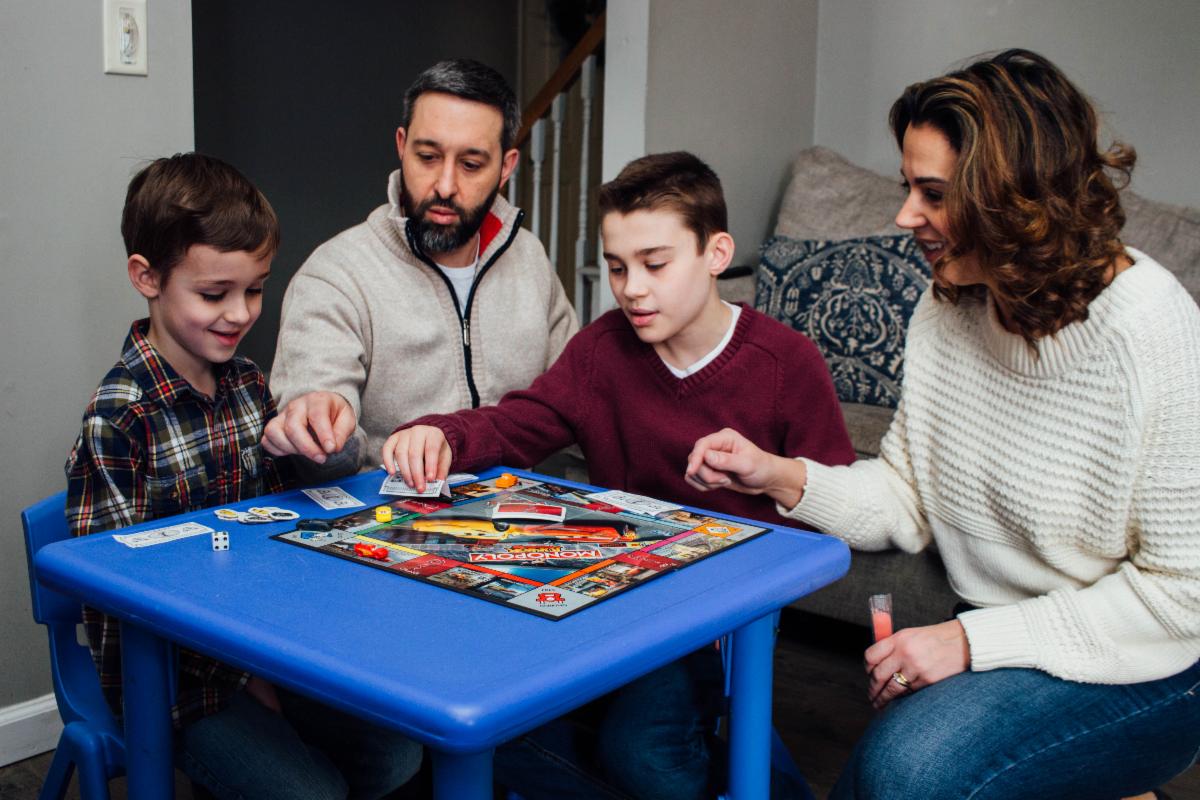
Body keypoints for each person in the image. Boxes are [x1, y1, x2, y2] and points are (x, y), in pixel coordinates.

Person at [686, 49, 1200, 799]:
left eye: (933, 193)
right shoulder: (948, 304)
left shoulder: (1151, 328)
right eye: (906, 188)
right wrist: (782, 476)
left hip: (1145, 669)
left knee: (909, 771)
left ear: (1013, 196)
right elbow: (907, 495)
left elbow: (1183, 593)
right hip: (1000, 641)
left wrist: (969, 642)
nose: (904, 217)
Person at [384, 151, 856, 800]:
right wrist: (442, 433)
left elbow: (839, 501)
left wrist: (771, 477)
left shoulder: (787, 363)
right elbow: (522, 422)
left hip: (715, 616)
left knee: (641, 752)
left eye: (655, 264)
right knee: (469, 723)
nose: (632, 287)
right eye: (616, 267)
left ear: (717, 253)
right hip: (609, 596)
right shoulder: (603, 350)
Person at [65, 153, 422, 800]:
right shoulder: (118, 422)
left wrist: (316, 440)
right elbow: (119, 607)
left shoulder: (250, 387)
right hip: (178, 689)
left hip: (266, 653)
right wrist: (242, 678)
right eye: (213, 294)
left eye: (254, 289)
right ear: (146, 277)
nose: (239, 313)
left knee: (397, 752)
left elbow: (286, 527)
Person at [263, 59, 578, 474]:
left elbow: (575, 399)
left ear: (506, 168)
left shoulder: (529, 258)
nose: (445, 186)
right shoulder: (336, 274)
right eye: (428, 156)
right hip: (384, 522)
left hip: (518, 522)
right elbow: (319, 439)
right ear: (401, 145)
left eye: (471, 165)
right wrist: (319, 429)